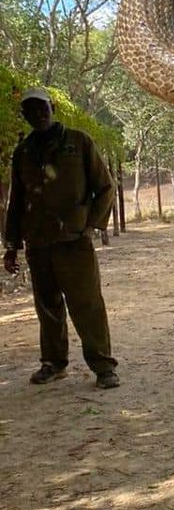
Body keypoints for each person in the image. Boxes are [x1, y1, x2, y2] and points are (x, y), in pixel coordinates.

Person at [3, 87, 120, 389]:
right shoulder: (23, 153)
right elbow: (16, 201)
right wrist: (12, 245)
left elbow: (105, 187)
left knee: (87, 304)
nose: (38, 114)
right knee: (48, 306)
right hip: (38, 242)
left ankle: (103, 367)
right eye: (30, 110)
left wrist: (91, 225)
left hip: (74, 240)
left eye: (42, 107)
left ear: (52, 107)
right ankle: (53, 364)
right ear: (24, 115)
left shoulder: (79, 142)